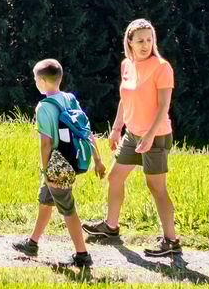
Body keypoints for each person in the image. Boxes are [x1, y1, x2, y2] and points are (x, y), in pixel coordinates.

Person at [84, 19, 181, 257]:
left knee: (156, 187)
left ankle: (171, 241)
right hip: (132, 134)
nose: (145, 45)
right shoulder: (127, 65)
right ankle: (111, 227)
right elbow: (125, 98)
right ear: (130, 42)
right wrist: (117, 128)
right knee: (115, 178)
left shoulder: (162, 67)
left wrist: (148, 136)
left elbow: (163, 107)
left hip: (155, 136)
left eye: (149, 40)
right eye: (140, 40)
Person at [13, 58, 106, 270]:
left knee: (67, 208)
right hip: (73, 158)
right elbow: (86, 130)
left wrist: (47, 171)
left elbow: (45, 143)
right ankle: (32, 243)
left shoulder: (43, 107)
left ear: (43, 82)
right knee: (46, 200)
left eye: (36, 79)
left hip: (57, 164)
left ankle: (82, 255)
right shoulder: (70, 98)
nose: (35, 82)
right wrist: (98, 160)